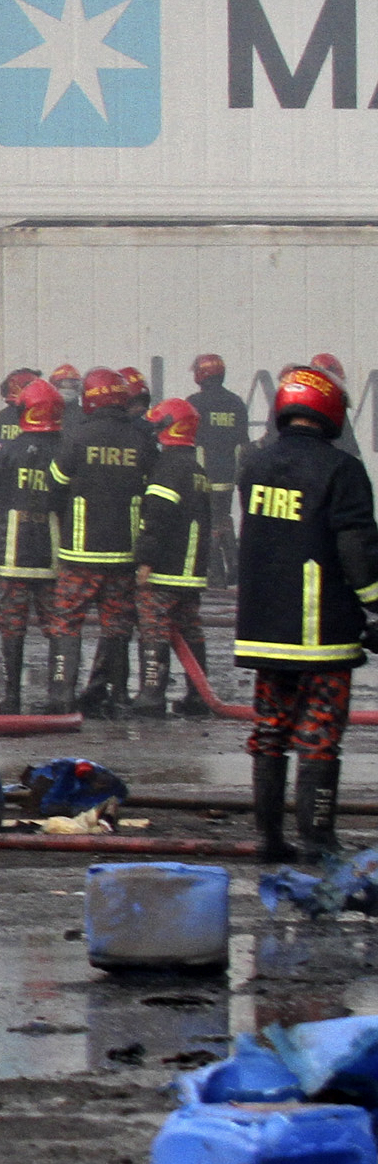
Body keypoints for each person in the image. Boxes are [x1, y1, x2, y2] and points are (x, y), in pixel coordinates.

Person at [233, 362, 378, 863]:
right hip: (321, 632)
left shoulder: (254, 465)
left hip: (263, 629)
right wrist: (376, 603)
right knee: (318, 733)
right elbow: (357, 547)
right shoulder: (341, 469)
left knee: (270, 729)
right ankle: (317, 839)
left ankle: (268, 839)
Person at [51, 367, 155, 717]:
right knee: (118, 625)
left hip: (79, 554)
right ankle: (119, 695)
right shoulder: (141, 440)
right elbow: (151, 489)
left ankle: (62, 694)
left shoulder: (77, 436)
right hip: (123, 556)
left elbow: (55, 484)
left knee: (67, 622)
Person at [0, 376, 64, 714]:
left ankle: (12, 697)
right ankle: (61, 696)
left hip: (13, 556)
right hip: (53, 556)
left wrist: (12, 503)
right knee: (58, 625)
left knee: (12, 624)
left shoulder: (8, 451)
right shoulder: (65, 450)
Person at [137, 396, 215, 717]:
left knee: (154, 629)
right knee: (190, 629)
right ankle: (198, 696)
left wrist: (145, 561)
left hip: (164, 571)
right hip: (191, 572)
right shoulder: (196, 469)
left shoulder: (167, 469)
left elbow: (155, 519)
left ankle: (152, 695)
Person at [189, 352, 248, 569]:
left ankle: (213, 572)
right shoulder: (236, 403)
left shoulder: (195, 403)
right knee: (224, 517)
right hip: (228, 477)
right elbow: (243, 443)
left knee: (207, 522)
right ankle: (234, 567)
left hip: (203, 476)